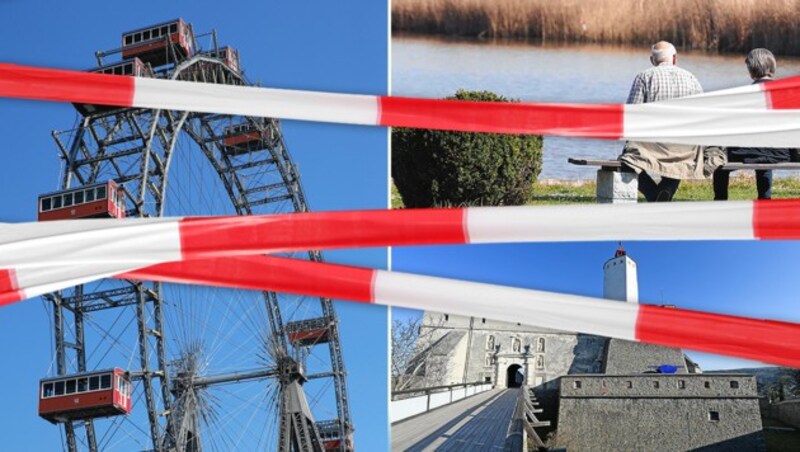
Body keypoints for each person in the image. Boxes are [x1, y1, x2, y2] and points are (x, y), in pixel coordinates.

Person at [619, 41, 705, 202]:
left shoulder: (644, 77)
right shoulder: (691, 78)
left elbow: (632, 115)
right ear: (675, 58)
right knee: (679, 163)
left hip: (653, 144)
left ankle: (653, 194)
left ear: (653, 60)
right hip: (684, 148)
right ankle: (665, 189)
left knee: (626, 161)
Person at [713, 48, 791, 200]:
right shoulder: (785, 93)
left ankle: (720, 200)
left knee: (720, 165)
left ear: (751, 70)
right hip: (781, 153)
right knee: (766, 150)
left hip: (748, 152)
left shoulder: (744, 95)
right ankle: (765, 197)